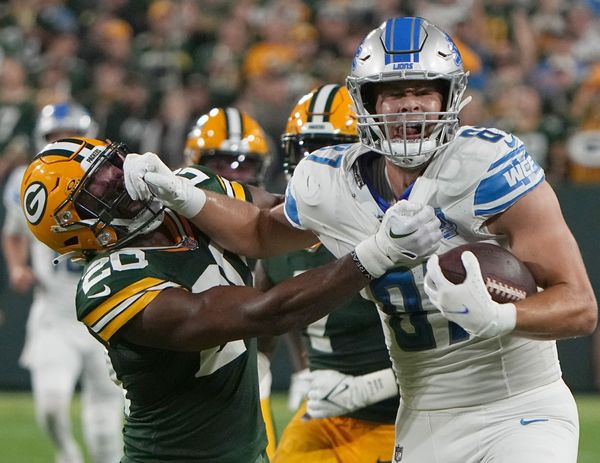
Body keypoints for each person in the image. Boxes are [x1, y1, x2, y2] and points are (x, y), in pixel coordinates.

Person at [124, 17, 598, 463]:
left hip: (519, 405)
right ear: (367, 104)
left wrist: (499, 317)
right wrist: (185, 195)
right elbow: (258, 232)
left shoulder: (489, 167)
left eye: (423, 91)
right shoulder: (329, 181)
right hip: (423, 417)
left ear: (449, 97)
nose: (411, 104)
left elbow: (579, 306)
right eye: (393, 93)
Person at [20, 136, 440, 462]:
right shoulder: (108, 284)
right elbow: (264, 313)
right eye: (99, 186)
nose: (120, 178)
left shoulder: (183, 192)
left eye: (111, 164)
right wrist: (377, 253)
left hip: (247, 451)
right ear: (78, 228)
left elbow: (287, 216)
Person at [257, 83, 398, 462]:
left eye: (325, 148)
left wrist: (371, 387)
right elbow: (262, 331)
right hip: (328, 416)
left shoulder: (395, 227)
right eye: (302, 149)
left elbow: (460, 346)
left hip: (407, 414)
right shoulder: (278, 237)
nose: (312, 163)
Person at [2, 101, 123, 463]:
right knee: (52, 406)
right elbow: (13, 233)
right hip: (55, 313)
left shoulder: (109, 180)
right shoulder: (29, 181)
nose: (64, 144)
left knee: (105, 429)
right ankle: (66, 454)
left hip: (102, 309)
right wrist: (17, 267)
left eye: (72, 136)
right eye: (57, 137)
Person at [184, 106, 279, 458]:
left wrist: (267, 362)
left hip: (245, 373)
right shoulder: (169, 225)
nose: (230, 176)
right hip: (178, 375)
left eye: (243, 165)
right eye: (219, 164)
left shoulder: (272, 224)